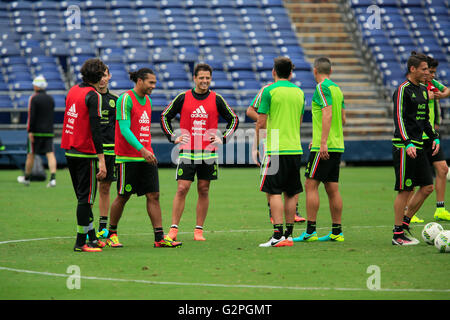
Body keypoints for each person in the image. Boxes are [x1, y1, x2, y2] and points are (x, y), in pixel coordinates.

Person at [161, 63, 239, 241]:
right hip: (187, 152)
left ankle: (198, 230)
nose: (205, 81)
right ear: (194, 78)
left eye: (208, 78)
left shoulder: (217, 99)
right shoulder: (183, 97)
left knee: (203, 189)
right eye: (201, 78)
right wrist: (173, 136)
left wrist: (223, 137)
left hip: (208, 154)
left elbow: (233, 119)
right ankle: (173, 229)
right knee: (182, 188)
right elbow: (165, 116)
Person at [107, 68, 181, 248]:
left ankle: (159, 238)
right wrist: (142, 150)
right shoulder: (125, 99)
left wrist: (147, 150)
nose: (154, 87)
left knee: (154, 195)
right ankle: (111, 234)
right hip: (128, 158)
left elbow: (143, 130)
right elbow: (124, 129)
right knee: (123, 195)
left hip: (146, 156)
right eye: (151, 83)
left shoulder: (147, 100)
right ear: (140, 81)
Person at [253, 56, 305, 247]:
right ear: (291, 73)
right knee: (291, 192)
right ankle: (289, 236)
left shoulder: (269, 91)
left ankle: (277, 236)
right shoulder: (299, 92)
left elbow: (261, 121)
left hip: (275, 147)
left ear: (274, 72)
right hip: (294, 147)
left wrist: (256, 146)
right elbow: (299, 122)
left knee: (274, 191)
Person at [293, 57, 346, 243]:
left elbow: (327, 113)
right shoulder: (337, 89)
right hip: (337, 144)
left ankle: (310, 231)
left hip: (325, 146)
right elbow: (343, 119)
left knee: (310, 185)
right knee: (332, 188)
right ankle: (337, 231)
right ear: (330, 71)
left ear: (315, 71)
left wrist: (322, 142)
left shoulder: (321, 88)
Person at [391, 52, 440, 246]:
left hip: (419, 146)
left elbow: (424, 119)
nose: (428, 73)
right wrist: (407, 142)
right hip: (405, 147)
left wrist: (434, 137)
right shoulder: (403, 90)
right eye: (424, 69)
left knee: (428, 186)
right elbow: (399, 118)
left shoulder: (421, 90)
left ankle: (404, 223)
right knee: (405, 190)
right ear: (413, 69)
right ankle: (397, 235)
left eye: (428, 69)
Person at [61, 58, 108, 252]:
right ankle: (81, 242)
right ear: (98, 76)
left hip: (70, 150)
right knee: (86, 199)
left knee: (83, 198)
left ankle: (91, 237)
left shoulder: (73, 90)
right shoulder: (93, 95)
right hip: (84, 153)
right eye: (103, 74)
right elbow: (96, 131)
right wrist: (102, 159)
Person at [246, 85, 305, 224]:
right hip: (271, 139)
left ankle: (294, 211)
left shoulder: (296, 91)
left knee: (291, 181)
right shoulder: (267, 90)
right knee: (272, 179)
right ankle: (272, 211)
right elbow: (250, 110)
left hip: (289, 141)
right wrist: (268, 121)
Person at [405, 56, 450, 223]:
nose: (431, 75)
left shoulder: (431, 83)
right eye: (429, 72)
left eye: (433, 72)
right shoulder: (414, 87)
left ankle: (440, 209)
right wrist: (428, 96)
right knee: (416, 178)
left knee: (443, 169)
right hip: (417, 137)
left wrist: (435, 96)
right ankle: (409, 211)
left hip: (430, 136)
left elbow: (446, 91)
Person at [17, 75, 57, 187]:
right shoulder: (51, 98)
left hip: (36, 132)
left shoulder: (33, 98)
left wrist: (30, 131)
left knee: (30, 155)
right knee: (50, 154)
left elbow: (31, 116)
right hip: (49, 131)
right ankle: (53, 179)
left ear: (36, 86)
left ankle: (26, 178)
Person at [96, 67, 119, 239]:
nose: (102, 79)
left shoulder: (115, 100)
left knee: (105, 188)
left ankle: (102, 227)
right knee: (88, 191)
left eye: (104, 75)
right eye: (99, 76)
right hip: (91, 152)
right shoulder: (89, 98)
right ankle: (86, 226)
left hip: (111, 151)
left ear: (109, 76)